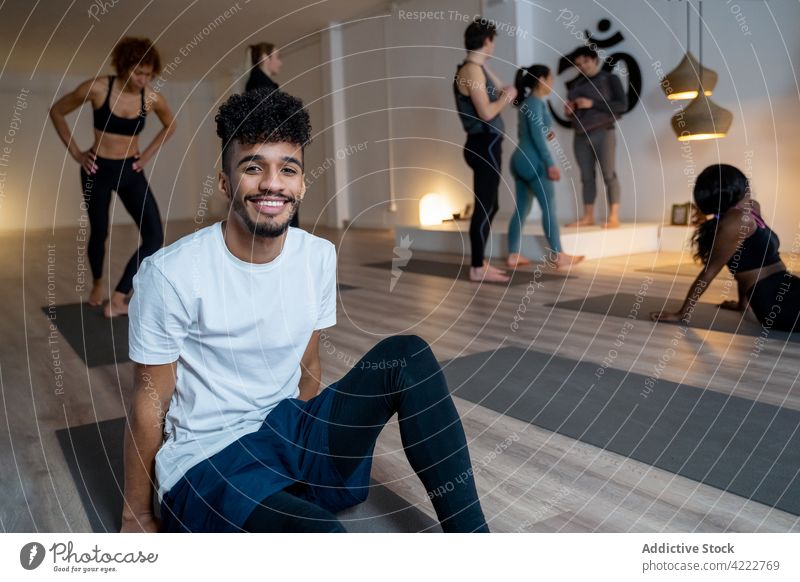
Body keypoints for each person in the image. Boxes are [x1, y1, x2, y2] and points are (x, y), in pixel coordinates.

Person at [121, 88, 489, 533]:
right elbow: (149, 401)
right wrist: (136, 514)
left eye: (287, 169)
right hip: (210, 459)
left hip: (287, 430)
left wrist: (312, 453)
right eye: (253, 167)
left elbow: (308, 365)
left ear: (301, 183)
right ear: (224, 183)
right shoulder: (170, 273)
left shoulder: (317, 256)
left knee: (407, 356)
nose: (273, 183)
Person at [50, 37, 175, 317]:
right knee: (100, 232)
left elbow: (171, 125)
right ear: (123, 67)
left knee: (154, 237)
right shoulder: (97, 89)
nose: (143, 79)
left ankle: (119, 297)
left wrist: (146, 155)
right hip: (97, 170)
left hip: (130, 171)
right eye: (138, 72)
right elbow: (57, 111)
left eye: (148, 73)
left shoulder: (151, 98)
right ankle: (97, 282)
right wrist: (77, 154)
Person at [651, 164, 800, 332]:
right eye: (743, 181)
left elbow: (744, 259)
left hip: (788, 285)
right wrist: (681, 313)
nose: (748, 184)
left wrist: (742, 304)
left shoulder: (751, 208)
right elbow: (709, 273)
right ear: (733, 189)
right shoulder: (735, 222)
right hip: (775, 303)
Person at [454, 18, 517, 283]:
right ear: (487, 40)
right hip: (483, 145)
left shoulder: (477, 67)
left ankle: (480, 261)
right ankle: (477, 267)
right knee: (484, 206)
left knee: (491, 205)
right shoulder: (471, 71)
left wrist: (487, 66)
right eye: (492, 41)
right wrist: (505, 98)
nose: (494, 46)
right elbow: (487, 112)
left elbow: (501, 88)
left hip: (487, 145)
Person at [507, 65, 584, 270]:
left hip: (520, 160)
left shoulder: (530, 103)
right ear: (541, 79)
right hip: (533, 161)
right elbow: (537, 137)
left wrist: (546, 131)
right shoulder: (534, 103)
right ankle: (559, 255)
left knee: (522, 208)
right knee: (549, 208)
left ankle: (513, 254)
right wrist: (550, 164)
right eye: (550, 79)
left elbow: (537, 131)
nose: (552, 83)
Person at [564, 46, 627, 229]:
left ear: (594, 59)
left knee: (609, 174)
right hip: (580, 134)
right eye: (578, 64)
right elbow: (573, 112)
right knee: (586, 176)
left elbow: (621, 105)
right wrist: (570, 112)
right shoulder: (575, 86)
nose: (582, 66)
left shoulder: (610, 79)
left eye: (585, 61)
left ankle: (614, 217)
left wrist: (592, 103)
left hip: (604, 131)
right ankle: (588, 216)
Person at [245, 43, 298, 229]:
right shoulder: (261, 86)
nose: (280, 63)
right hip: (272, 154)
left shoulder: (258, 84)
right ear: (264, 59)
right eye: (277, 57)